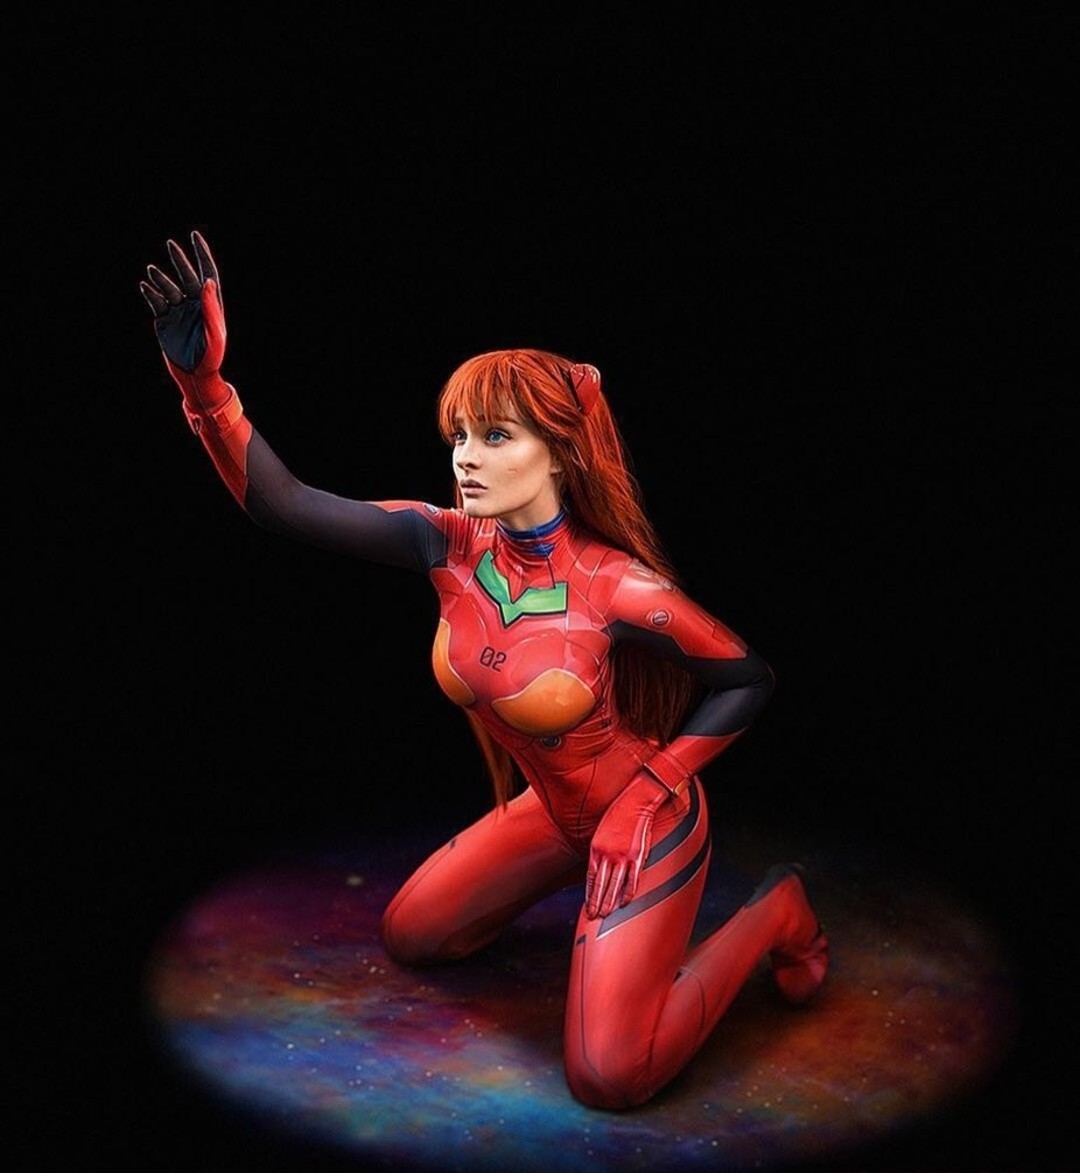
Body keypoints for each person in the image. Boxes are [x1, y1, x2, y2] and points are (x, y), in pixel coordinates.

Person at [139, 231, 829, 1111]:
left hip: (644, 818)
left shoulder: (618, 587)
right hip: (554, 813)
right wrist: (204, 387)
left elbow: (748, 677)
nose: (465, 455)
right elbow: (285, 505)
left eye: (495, 435)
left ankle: (777, 911)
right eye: (460, 434)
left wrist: (648, 794)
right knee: (413, 934)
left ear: (560, 451)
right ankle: (593, 909)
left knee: (611, 1076)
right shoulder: (445, 542)